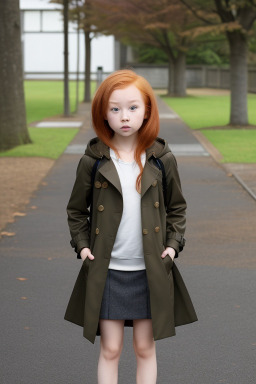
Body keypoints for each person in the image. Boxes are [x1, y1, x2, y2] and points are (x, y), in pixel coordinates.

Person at [64, 69, 198, 384]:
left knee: (144, 347)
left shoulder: (162, 159)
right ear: (103, 114)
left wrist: (173, 246)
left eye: (133, 107)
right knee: (110, 348)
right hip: (107, 269)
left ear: (147, 110)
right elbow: (75, 209)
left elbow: (177, 206)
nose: (124, 116)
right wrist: (82, 246)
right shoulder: (93, 160)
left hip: (150, 268)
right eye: (115, 108)